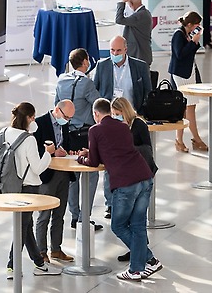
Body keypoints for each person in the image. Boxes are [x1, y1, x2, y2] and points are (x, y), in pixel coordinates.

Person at [76, 98, 162, 281]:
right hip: (145, 177)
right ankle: (138, 269)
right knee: (138, 225)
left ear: (96, 114)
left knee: (118, 225)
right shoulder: (123, 127)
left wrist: (82, 158)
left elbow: (93, 162)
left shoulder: (94, 130)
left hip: (126, 182)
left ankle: (148, 261)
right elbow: (118, 150)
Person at [93, 35, 152, 218]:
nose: (115, 53)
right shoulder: (102, 66)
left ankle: (132, 200)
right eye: (112, 50)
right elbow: (96, 93)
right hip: (110, 123)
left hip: (131, 121)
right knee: (110, 163)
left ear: (126, 49)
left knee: (131, 159)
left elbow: (147, 93)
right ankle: (111, 204)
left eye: (118, 50)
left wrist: (141, 116)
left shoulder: (140, 66)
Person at [3, 102, 62, 279]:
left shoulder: (4, 133)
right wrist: (48, 152)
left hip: (11, 186)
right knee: (22, 227)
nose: (35, 120)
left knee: (26, 225)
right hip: (28, 188)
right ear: (28, 118)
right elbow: (37, 168)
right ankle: (12, 266)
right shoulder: (28, 139)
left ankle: (39, 263)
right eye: (33, 117)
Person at [54, 48, 102, 231]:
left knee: (72, 176)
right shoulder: (87, 84)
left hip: (68, 134)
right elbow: (98, 104)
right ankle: (84, 218)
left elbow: (56, 105)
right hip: (85, 133)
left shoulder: (61, 81)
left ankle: (74, 215)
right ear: (85, 62)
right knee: (91, 174)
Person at [110, 96, 158, 263]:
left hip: (140, 175)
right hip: (126, 175)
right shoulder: (116, 127)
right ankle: (138, 251)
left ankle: (142, 253)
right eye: (113, 114)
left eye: (118, 113)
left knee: (135, 221)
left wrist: (127, 149)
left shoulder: (138, 124)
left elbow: (147, 148)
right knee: (133, 220)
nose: (115, 116)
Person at [33, 100, 74, 264]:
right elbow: (34, 148)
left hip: (63, 172)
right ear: (57, 109)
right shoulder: (40, 123)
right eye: (66, 117)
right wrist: (51, 152)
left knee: (60, 214)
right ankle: (41, 251)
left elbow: (66, 142)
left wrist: (66, 150)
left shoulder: (65, 124)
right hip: (47, 174)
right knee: (44, 215)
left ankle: (56, 249)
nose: (67, 121)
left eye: (70, 118)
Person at [168, 11, 208, 153]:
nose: (198, 27)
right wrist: (192, 42)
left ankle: (180, 139)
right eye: (196, 25)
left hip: (189, 72)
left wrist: (194, 42)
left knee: (188, 107)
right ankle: (195, 138)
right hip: (181, 75)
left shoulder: (186, 34)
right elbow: (180, 54)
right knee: (188, 106)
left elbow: (190, 52)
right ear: (190, 24)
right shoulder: (178, 35)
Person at [115, 0, 153, 66]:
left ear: (130, 3)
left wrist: (122, 2)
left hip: (139, 56)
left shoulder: (140, 15)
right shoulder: (144, 13)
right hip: (141, 55)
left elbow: (119, 20)